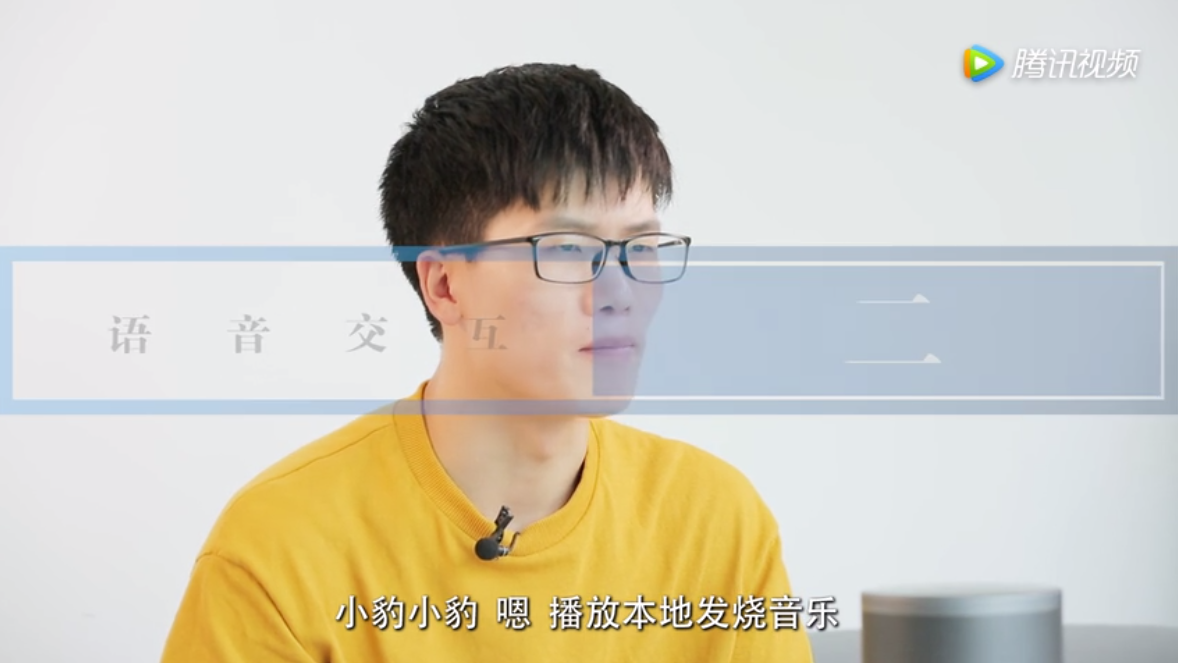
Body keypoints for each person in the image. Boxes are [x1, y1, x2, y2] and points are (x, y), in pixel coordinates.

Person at [161, 63, 814, 662]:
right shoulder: (280, 548)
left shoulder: (713, 516)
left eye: (641, 247)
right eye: (566, 248)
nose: (618, 291)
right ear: (445, 285)